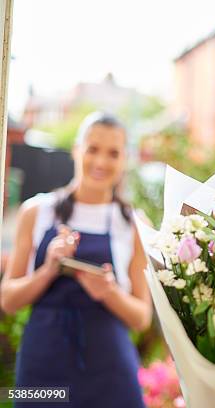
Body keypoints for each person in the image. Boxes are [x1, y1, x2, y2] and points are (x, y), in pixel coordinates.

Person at [0, 112, 152, 407]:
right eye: (92, 149)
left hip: (110, 374)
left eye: (113, 153)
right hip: (42, 369)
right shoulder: (37, 212)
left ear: (125, 160)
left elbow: (141, 317)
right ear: (76, 150)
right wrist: (47, 271)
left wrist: (108, 292)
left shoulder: (133, 223)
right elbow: (7, 300)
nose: (100, 162)